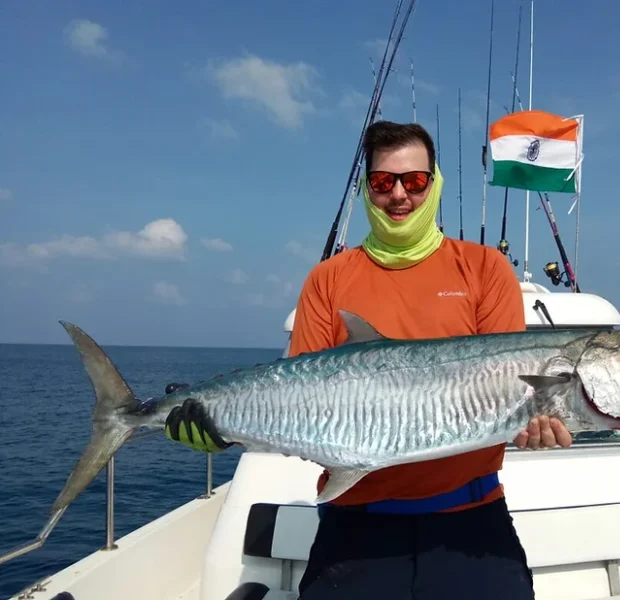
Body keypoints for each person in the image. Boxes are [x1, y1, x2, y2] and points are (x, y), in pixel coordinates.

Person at [164, 120, 573, 599]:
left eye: (415, 181)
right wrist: (223, 427)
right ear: (367, 189)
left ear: (434, 182)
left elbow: (502, 385)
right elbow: (300, 403)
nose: (400, 195)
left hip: (470, 522)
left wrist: (538, 421)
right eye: (384, 182)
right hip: (355, 526)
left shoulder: (485, 269)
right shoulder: (329, 278)